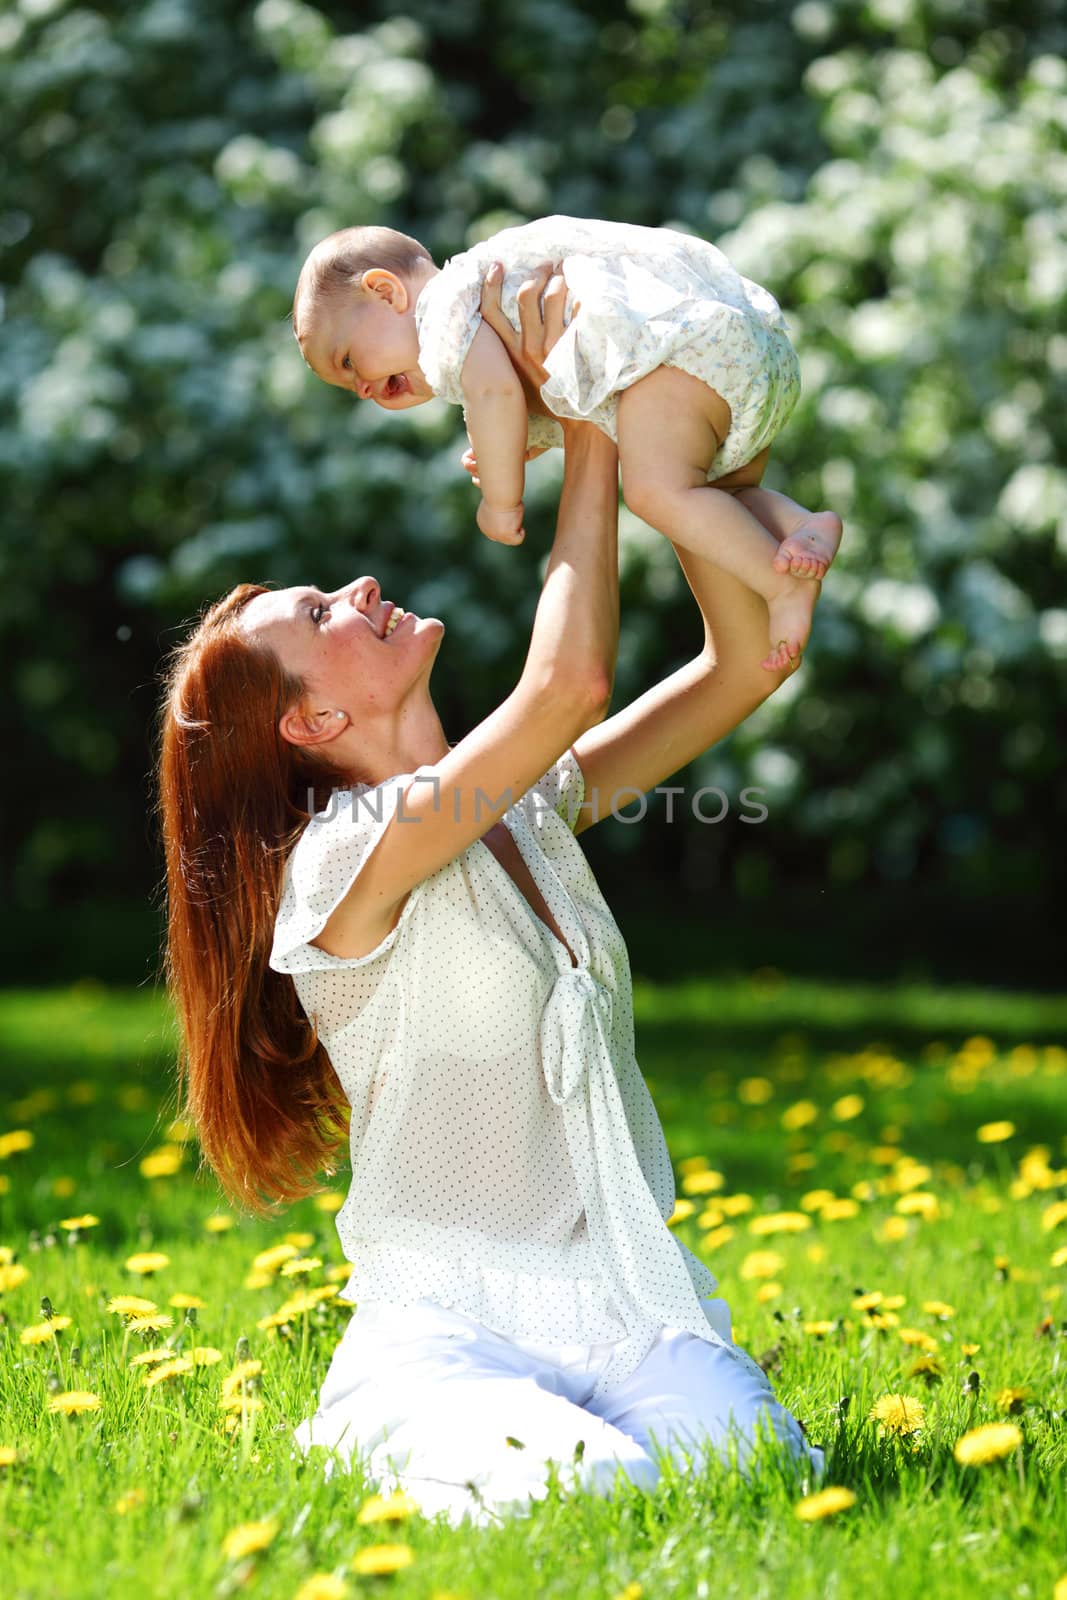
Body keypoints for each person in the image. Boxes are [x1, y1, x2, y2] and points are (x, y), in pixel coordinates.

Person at [158, 264, 825, 1529]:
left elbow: (741, 666)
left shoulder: (523, 810)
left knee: (751, 1481)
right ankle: (373, 1420)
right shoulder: (337, 866)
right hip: (450, 1323)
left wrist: (665, 456)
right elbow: (565, 684)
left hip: (619, 1302)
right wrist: (578, 419)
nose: (355, 587)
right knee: (601, 1496)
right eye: (321, 612)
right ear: (313, 719)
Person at [292, 215, 843, 672]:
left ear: (385, 292)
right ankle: (800, 527)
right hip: (737, 351)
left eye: (348, 362)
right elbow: (562, 389)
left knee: (655, 492)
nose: (361, 388)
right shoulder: (475, 310)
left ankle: (780, 587)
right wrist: (529, 440)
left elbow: (497, 392)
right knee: (708, 496)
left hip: (684, 351)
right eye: (348, 387)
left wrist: (500, 499)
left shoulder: (443, 311)